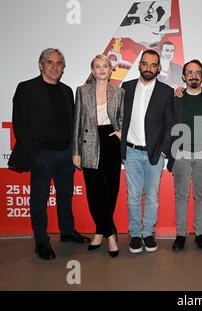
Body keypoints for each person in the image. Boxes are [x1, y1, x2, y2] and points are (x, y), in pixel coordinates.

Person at [8, 48, 90, 260]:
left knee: (65, 196)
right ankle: (41, 241)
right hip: (41, 154)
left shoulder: (66, 90)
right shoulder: (27, 88)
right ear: (41, 65)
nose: (55, 67)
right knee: (39, 199)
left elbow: (72, 123)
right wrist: (33, 152)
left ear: (63, 68)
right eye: (50, 62)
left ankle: (67, 232)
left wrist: (74, 150)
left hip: (65, 154)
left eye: (59, 63)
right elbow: (19, 123)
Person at [121, 49, 174, 254]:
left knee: (151, 196)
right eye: (145, 64)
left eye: (153, 65)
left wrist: (163, 151)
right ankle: (135, 234)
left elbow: (170, 124)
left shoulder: (166, 91)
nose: (149, 68)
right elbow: (119, 116)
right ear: (139, 65)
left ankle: (148, 233)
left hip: (154, 153)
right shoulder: (126, 88)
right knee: (133, 196)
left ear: (159, 68)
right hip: (132, 152)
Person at [72, 54, 124, 257]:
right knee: (94, 191)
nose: (102, 69)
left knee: (111, 189)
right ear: (92, 71)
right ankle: (110, 235)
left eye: (106, 66)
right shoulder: (82, 91)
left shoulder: (119, 92)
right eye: (97, 66)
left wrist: (121, 132)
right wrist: (76, 151)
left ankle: (99, 231)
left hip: (111, 141)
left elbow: (121, 117)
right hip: (89, 142)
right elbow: (77, 121)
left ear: (111, 70)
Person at [167, 60, 202, 251]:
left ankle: (200, 234)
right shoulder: (176, 98)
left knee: (201, 196)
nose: (194, 76)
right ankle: (181, 234)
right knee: (181, 196)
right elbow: (168, 123)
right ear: (183, 76)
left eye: (197, 72)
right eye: (189, 72)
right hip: (180, 153)